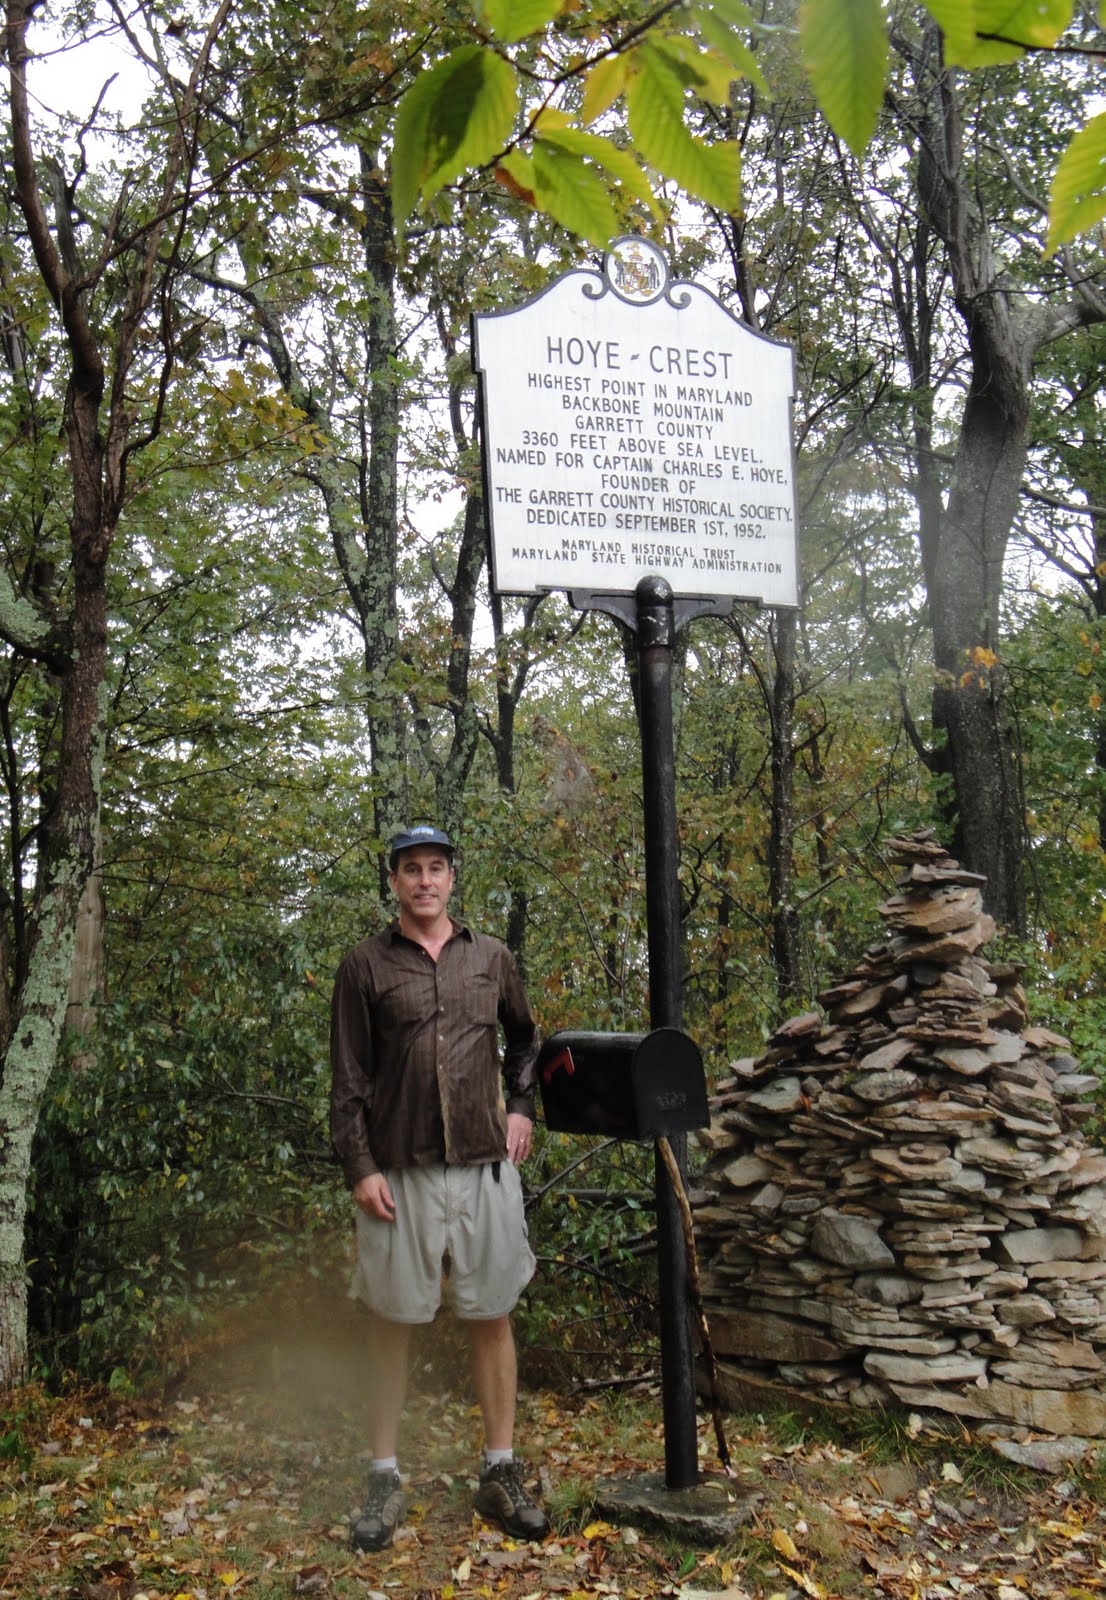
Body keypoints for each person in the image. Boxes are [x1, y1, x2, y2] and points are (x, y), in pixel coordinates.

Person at [329, 824, 549, 1553]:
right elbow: (348, 1078)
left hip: (485, 1166)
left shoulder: (490, 958)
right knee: (391, 1320)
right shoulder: (364, 966)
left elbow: (526, 1040)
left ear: (453, 877)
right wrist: (359, 1166)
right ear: (393, 881)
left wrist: (520, 1108)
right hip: (399, 1169)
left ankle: (499, 1469)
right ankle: (383, 1477)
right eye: (410, 870)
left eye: (436, 868)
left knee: (493, 1314)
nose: (424, 881)